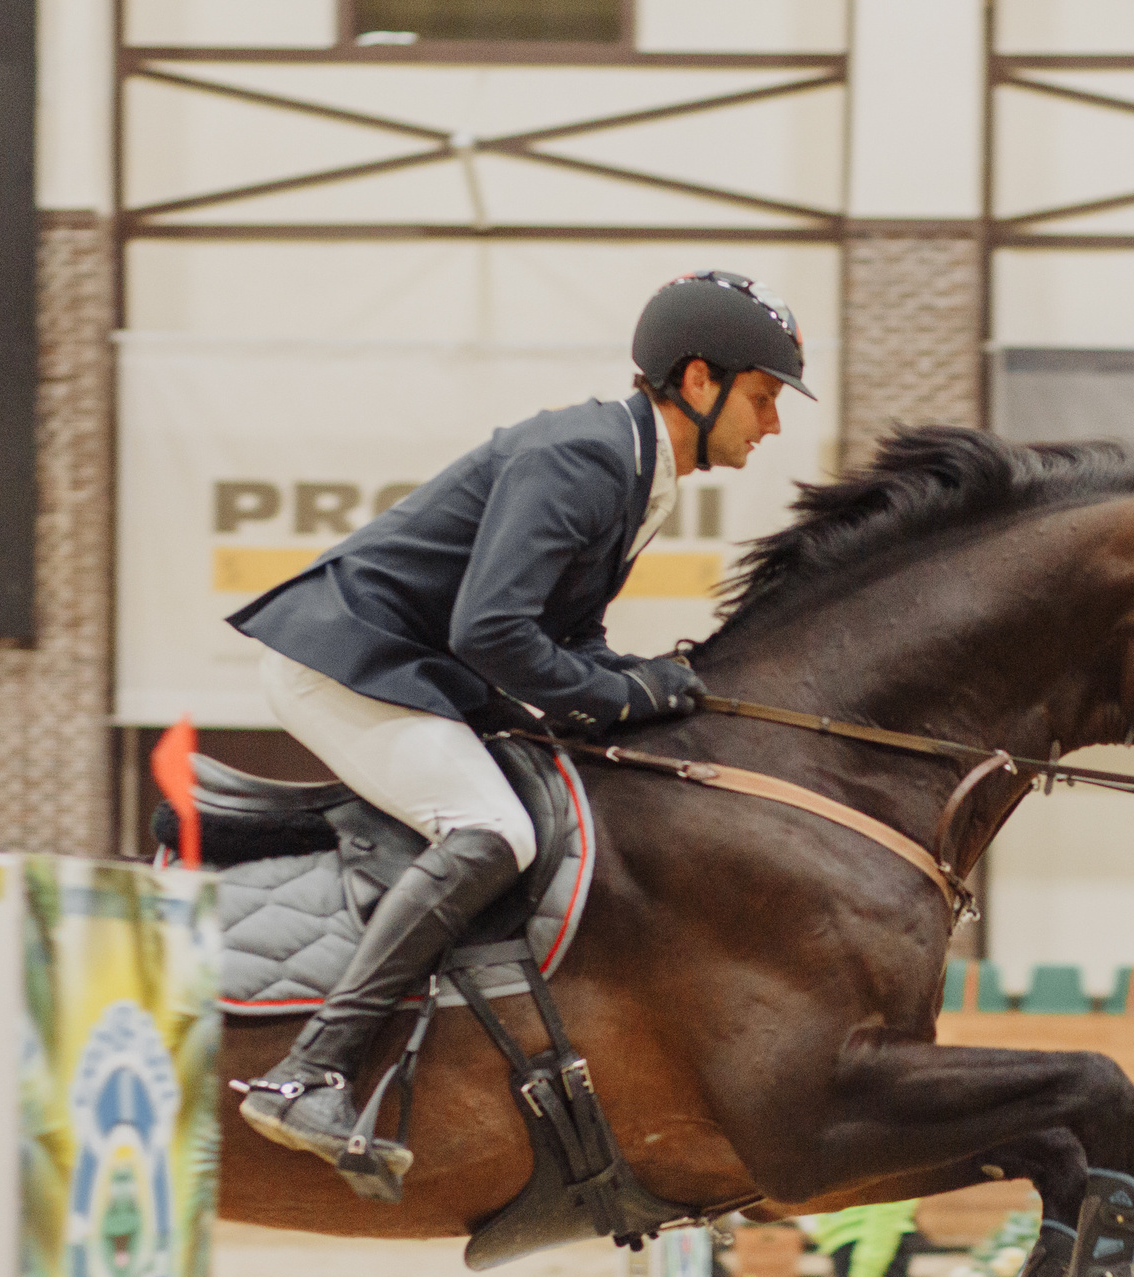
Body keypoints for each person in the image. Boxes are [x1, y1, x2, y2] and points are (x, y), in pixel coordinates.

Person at [223, 271, 814, 1188]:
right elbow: (493, 631)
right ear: (698, 380)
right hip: (350, 661)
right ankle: (310, 1073)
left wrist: (654, 682)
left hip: (417, 666)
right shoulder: (584, 457)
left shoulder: (634, 467)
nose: (772, 424)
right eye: (763, 397)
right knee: (494, 829)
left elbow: (566, 634)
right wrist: (625, 697)